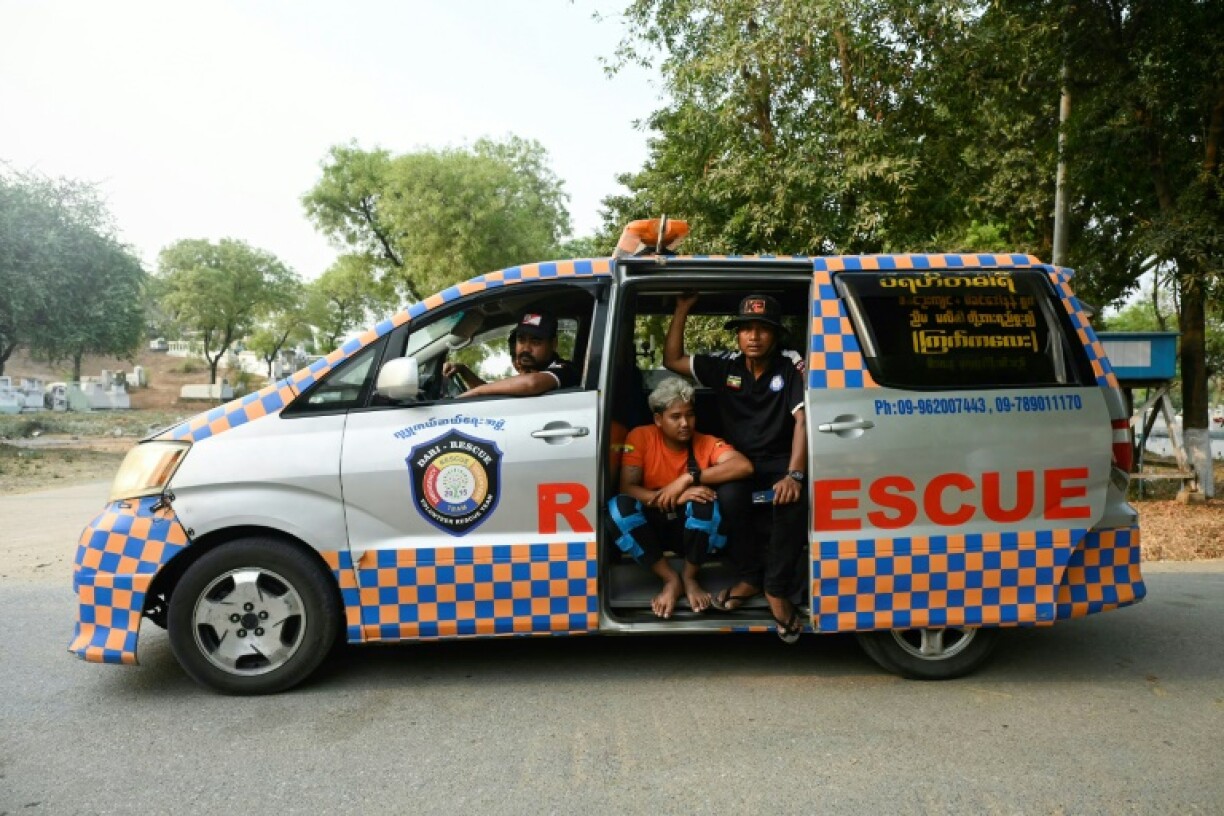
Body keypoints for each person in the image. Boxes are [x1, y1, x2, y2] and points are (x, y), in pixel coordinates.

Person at [663, 292, 809, 643]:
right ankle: (750, 578)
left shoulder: (789, 364)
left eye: (763, 329)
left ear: (776, 335)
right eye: (746, 329)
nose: (753, 337)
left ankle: (775, 589)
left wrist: (794, 475)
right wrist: (682, 309)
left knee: (792, 502)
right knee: (728, 501)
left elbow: (802, 421)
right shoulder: (725, 366)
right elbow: (672, 360)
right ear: (738, 335)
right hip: (737, 462)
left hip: (780, 461)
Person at [609, 377, 753, 618]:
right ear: (658, 419)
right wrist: (677, 497)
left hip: (690, 534)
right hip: (651, 528)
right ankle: (670, 579)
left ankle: (689, 577)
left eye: (690, 415)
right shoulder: (640, 437)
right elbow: (627, 488)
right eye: (675, 417)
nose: (685, 423)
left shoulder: (706, 442)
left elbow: (743, 466)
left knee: (705, 503)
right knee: (618, 508)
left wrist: (688, 478)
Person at [444, 309, 580, 398]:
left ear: (553, 344)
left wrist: (476, 391)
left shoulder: (565, 370)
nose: (526, 349)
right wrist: (463, 370)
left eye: (535, 341)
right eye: (521, 340)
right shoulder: (529, 374)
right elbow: (492, 393)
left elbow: (531, 383)